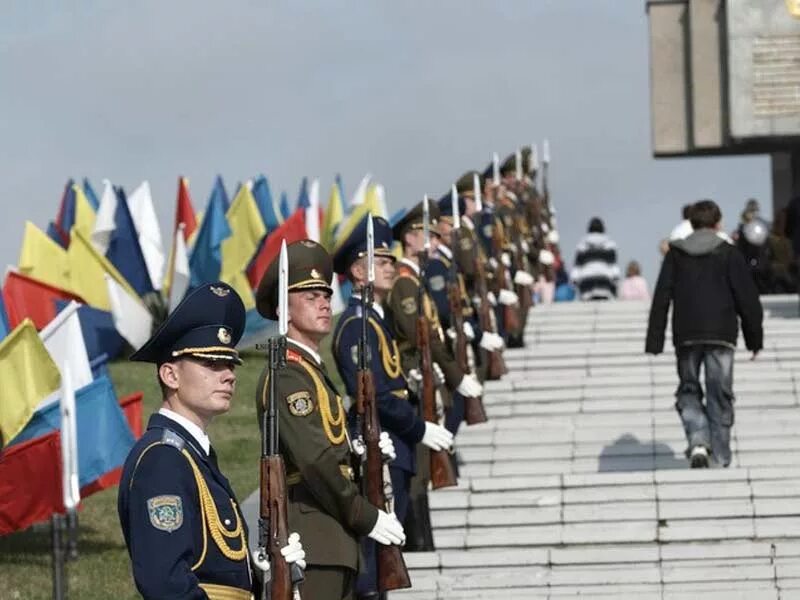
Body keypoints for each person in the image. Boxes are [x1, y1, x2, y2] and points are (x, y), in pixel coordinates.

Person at [118, 281, 306, 600]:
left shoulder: (193, 455)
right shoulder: (162, 460)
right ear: (170, 375)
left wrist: (267, 575)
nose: (229, 374)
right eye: (211, 364)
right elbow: (166, 584)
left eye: (230, 363)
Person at [254, 240, 405, 600]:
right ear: (282, 310)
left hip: (333, 540)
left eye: (325, 294)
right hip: (313, 544)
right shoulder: (288, 375)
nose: (324, 302)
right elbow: (316, 460)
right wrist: (366, 516)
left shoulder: (310, 372)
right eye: (309, 296)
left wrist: (359, 446)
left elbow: (330, 446)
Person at [331, 215, 453, 599]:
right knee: (373, 563)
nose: (390, 267)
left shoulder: (373, 320)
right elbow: (375, 396)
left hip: (394, 443)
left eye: (389, 261)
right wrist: (419, 428)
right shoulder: (356, 324)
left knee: (385, 556)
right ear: (357, 271)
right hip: (382, 443)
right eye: (380, 262)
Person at [646, 200, 763, 469]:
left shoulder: (676, 254)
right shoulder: (729, 253)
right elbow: (747, 298)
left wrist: (655, 339)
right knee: (719, 393)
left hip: (686, 333)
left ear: (691, 223)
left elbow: (662, 296)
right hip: (722, 333)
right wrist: (754, 339)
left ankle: (698, 439)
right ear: (718, 223)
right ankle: (721, 456)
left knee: (689, 388)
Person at [570, 217, 621, 301]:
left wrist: (574, 281)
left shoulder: (582, 245)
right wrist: (616, 281)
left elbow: (577, 268)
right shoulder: (610, 245)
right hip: (604, 282)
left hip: (586, 283)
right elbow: (614, 267)